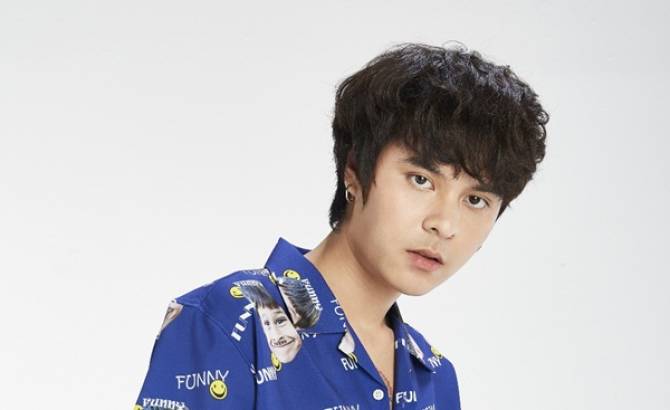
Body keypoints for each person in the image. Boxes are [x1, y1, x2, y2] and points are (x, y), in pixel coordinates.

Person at [133, 41, 549, 410]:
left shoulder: (434, 377)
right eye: (421, 180)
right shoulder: (230, 321)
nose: (444, 224)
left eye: (475, 200)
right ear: (354, 170)